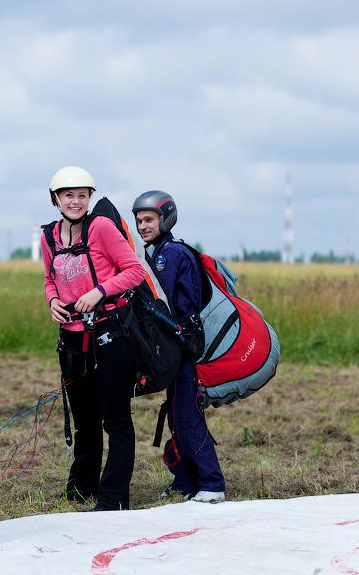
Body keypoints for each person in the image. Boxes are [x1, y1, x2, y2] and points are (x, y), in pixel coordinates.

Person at [42, 166, 146, 511]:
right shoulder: (49, 237)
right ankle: (81, 488)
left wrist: (100, 291)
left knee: (115, 418)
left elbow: (134, 271)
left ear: (90, 197)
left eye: (82, 195)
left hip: (110, 334)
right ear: (56, 199)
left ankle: (113, 497)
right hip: (72, 339)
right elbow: (49, 278)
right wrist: (53, 301)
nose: (75, 201)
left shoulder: (101, 227)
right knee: (85, 419)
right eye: (68, 195)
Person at [133, 190, 226, 503]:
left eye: (149, 219)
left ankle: (211, 483)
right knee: (176, 413)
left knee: (186, 414)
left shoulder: (170, 255)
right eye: (139, 220)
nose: (142, 225)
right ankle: (186, 482)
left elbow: (171, 305)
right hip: (173, 344)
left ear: (165, 218)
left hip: (182, 344)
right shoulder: (159, 251)